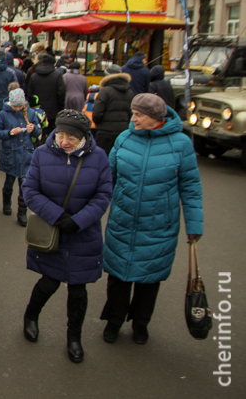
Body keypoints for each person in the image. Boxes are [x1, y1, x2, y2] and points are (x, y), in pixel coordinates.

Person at [100, 93, 203, 345]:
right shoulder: (124, 139)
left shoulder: (181, 144)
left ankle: (140, 324)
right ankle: (114, 321)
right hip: (122, 221)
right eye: (133, 113)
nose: (132, 118)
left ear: (156, 118)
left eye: (138, 115)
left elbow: (191, 187)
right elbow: (107, 179)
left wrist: (194, 225)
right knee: (118, 278)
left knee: (149, 280)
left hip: (159, 225)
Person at [21, 110, 113, 363]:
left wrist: (79, 221)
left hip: (83, 234)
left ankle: (74, 337)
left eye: (71, 137)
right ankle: (31, 316)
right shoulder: (41, 153)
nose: (64, 141)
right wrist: (57, 216)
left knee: (78, 290)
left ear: (84, 137)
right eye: (61, 134)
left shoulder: (99, 157)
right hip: (52, 231)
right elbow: (29, 189)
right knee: (48, 282)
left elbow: (103, 195)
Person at [0, 89, 41, 226]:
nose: (18, 109)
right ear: (10, 104)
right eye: (15, 106)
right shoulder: (3, 114)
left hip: (26, 154)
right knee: (9, 183)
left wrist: (34, 130)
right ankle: (6, 203)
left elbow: (38, 133)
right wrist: (9, 132)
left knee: (24, 185)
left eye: (20, 106)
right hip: (11, 154)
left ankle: (22, 212)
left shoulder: (31, 113)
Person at [92, 65, 133, 155]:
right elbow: (131, 113)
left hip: (105, 132)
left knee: (102, 157)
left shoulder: (105, 91)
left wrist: (98, 123)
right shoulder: (129, 92)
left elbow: (97, 113)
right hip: (123, 131)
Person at [26, 53, 65, 141]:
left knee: (38, 133)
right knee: (52, 133)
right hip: (53, 110)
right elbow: (61, 94)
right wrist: (61, 109)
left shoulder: (34, 76)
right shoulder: (57, 76)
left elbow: (30, 93)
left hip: (37, 110)